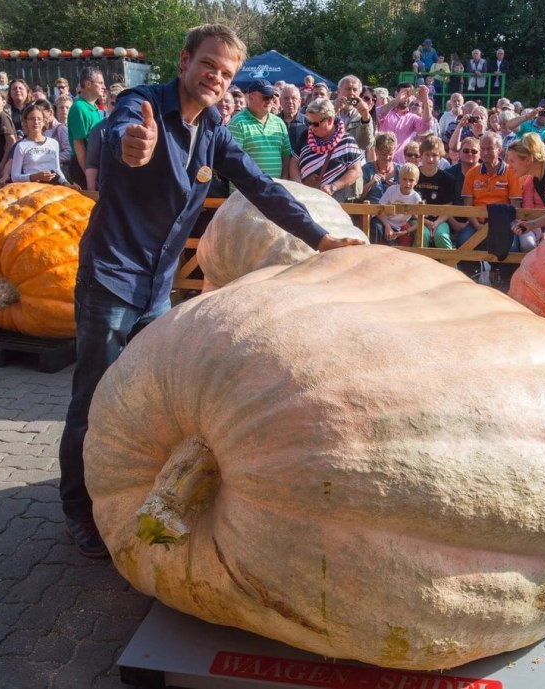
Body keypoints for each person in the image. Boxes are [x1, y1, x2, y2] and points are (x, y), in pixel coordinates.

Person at [59, 24, 363, 559]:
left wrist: (319, 238)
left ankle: (124, 488)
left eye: (226, 73)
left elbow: (261, 187)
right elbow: (122, 133)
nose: (215, 78)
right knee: (93, 398)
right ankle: (79, 509)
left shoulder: (213, 131)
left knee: (147, 399)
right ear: (185, 61)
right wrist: (131, 146)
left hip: (157, 288)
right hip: (111, 278)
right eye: (208, 65)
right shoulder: (142, 105)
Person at [456, 131, 522, 247]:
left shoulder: (511, 173)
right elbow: (467, 206)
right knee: (463, 242)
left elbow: (515, 206)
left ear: (499, 150)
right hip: (477, 222)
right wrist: (477, 225)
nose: (485, 152)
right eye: (483, 149)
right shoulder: (472, 174)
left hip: (504, 223)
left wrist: (503, 225)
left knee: (512, 248)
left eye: (490, 148)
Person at [292, 97, 364, 201]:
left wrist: (334, 186)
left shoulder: (347, 141)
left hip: (336, 202)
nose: (311, 127)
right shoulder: (306, 135)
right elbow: (294, 161)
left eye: (315, 124)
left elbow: (355, 170)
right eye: (309, 123)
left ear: (330, 120)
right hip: (307, 199)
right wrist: (299, 185)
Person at [228, 79, 292, 178]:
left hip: (276, 186)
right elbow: (234, 160)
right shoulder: (237, 123)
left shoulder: (279, 122)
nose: (270, 101)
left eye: (272, 97)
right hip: (247, 186)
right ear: (251, 97)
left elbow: (286, 155)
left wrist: (284, 181)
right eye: (266, 97)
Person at [10, 103, 68, 185]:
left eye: (39, 119)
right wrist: (34, 177)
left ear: (44, 121)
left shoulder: (53, 143)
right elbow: (15, 177)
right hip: (32, 188)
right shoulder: (21, 146)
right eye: (32, 119)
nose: (36, 122)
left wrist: (66, 183)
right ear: (25, 122)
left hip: (53, 187)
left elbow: (57, 169)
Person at [414, 135, 454, 248]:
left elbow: (448, 207)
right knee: (423, 235)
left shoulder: (447, 179)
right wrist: (426, 222)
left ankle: (449, 260)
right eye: (427, 154)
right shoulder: (412, 176)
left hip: (440, 220)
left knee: (442, 236)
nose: (430, 159)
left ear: (440, 157)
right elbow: (408, 202)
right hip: (417, 218)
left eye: (435, 155)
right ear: (421, 155)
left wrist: (436, 223)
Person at [67, 67, 105, 184]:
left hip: (95, 162)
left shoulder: (94, 108)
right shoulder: (79, 108)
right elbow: (79, 144)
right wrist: (89, 176)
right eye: (100, 83)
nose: (104, 87)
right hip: (83, 165)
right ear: (88, 84)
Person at [376, 83, 432, 163]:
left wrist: (425, 102)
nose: (406, 97)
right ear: (396, 94)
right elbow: (377, 114)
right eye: (404, 94)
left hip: (400, 163)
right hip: (381, 161)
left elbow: (426, 125)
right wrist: (396, 101)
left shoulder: (412, 118)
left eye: (409, 95)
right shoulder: (387, 112)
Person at [377, 163, 422, 245]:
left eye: (411, 180)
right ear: (399, 179)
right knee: (376, 228)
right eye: (404, 179)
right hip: (383, 221)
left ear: (416, 181)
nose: (407, 183)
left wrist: (406, 231)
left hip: (397, 227)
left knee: (390, 244)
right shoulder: (391, 190)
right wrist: (387, 226)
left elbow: (421, 221)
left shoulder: (416, 198)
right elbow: (379, 210)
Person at [334, 75, 374, 153]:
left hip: (352, 157)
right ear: (338, 92)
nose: (351, 93)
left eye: (355, 90)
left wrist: (365, 118)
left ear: (359, 94)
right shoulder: (327, 107)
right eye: (348, 89)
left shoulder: (363, 114)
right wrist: (333, 111)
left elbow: (366, 145)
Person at [279, 83, 308, 154]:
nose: (290, 101)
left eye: (294, 98)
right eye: (286, 98)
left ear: (299, 101)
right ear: (280, 101)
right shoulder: (273, 122)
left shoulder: (308, 122)